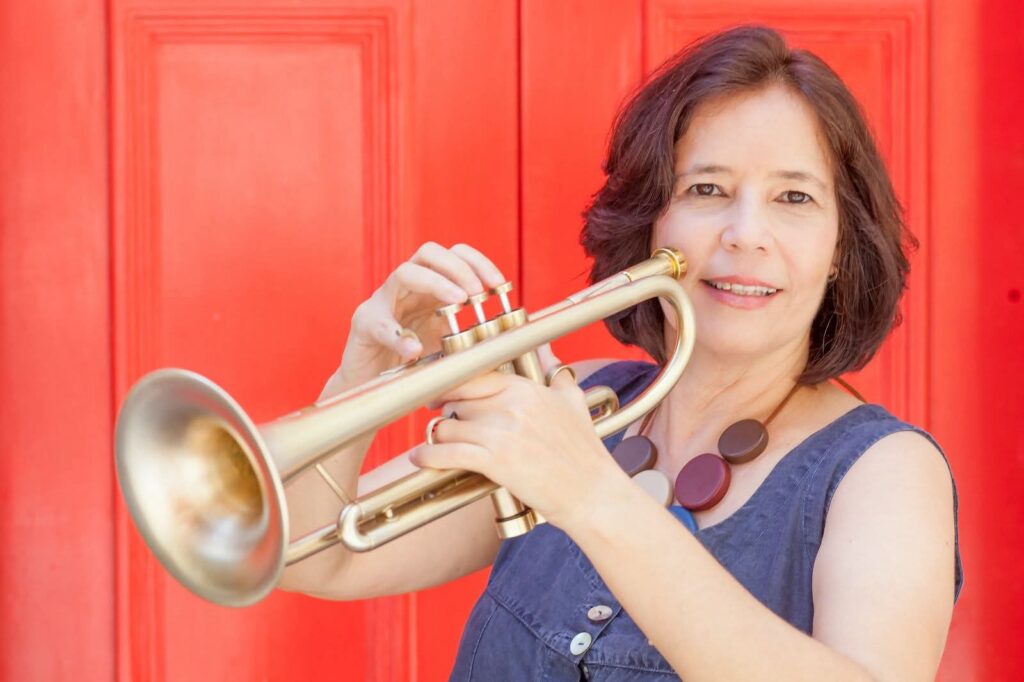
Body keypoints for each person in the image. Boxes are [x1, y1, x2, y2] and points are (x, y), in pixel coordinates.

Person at [279, 25, 963, 680]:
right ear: (651, 223)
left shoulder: (885, 472)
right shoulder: (571, 403)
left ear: (840, 249)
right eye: (706, 189)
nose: (746, 233)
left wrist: (590, 493)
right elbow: (310, 556)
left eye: (794, 197)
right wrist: (361, 378)